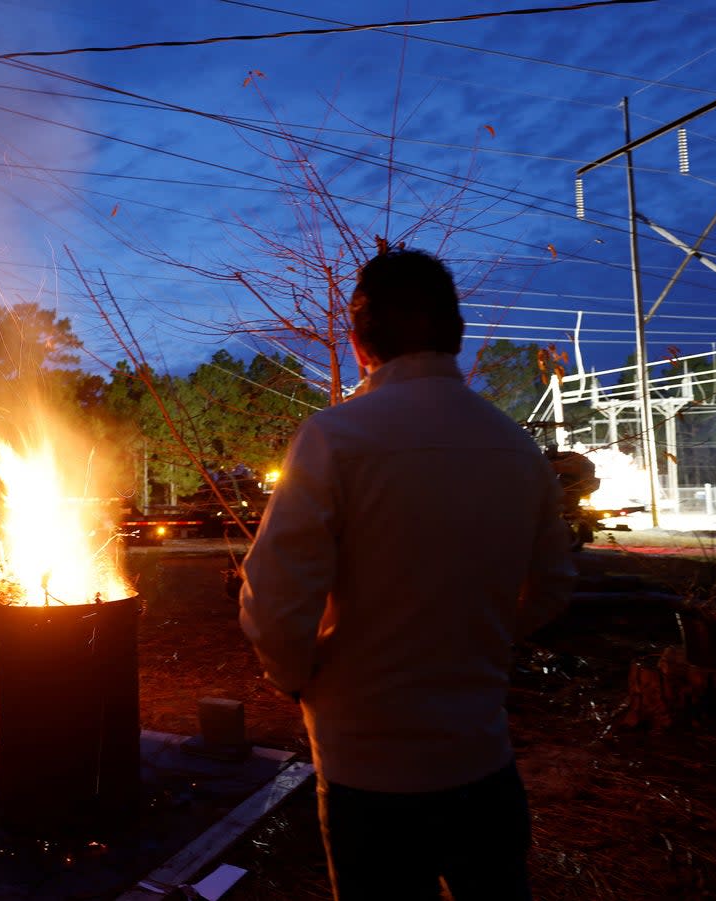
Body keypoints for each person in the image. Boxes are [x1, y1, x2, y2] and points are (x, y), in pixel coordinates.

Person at [238, 247, 576, 900]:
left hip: (368, 769)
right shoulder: (517, 448)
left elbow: (276, 603)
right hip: (482, 759)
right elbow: (554, 585)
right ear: (457, 334)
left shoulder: (335, 438)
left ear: (361, 344)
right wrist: (482, 639)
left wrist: (300, 677)